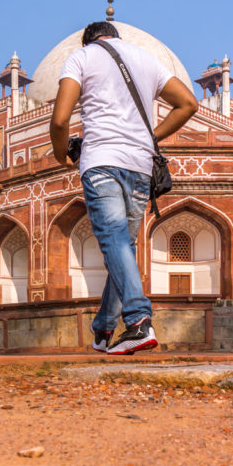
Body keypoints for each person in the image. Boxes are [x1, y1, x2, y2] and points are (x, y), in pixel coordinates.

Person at [50, 22, 198, 354]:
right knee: (123, 248)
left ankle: (138, 322)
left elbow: (60, 121)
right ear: (117, 39)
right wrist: (151, 138)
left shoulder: (81, 57)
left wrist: (62, 153)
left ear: (87, 41)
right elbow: (188, 103)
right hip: (140, 166)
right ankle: (103, 328)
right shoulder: (147, 59)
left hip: (101, 161)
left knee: (115, 242)